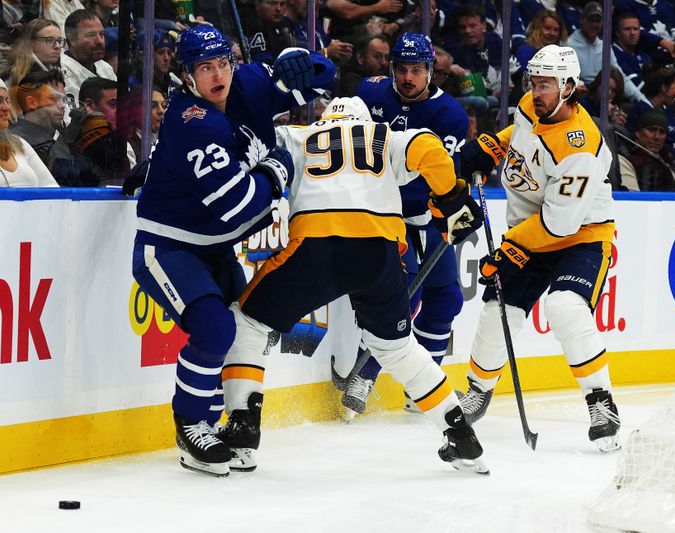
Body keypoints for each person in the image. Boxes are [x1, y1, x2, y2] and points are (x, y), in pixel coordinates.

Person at [219, 96, 486, 474]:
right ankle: (459, 433)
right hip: (379, 253)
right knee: (397, 348)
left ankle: (243, 428)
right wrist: (452, 197)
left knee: (246, 321)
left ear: (327, 120)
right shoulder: (385, 135)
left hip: (316, 246)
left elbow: (240, 140)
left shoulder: (301, 134)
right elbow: (428, 146)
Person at [131, 25, 336, 477]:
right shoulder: (193, 123)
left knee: (242, 329)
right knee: (214, 327)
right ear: (187, 76)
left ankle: (236, 425)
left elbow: (325, 75)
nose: (217, 74)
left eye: (222, 63)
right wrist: (278, 168)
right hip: (168, 247)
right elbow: (236, 205)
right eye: (204, 68)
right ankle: (192, 425)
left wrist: (296, 64)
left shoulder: (244, 81)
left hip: (214, 250)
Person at [457, 45, 621, 453]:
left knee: (564, 307)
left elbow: (559, 223)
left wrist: (509, 247)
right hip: (533, 230)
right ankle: (479, 390)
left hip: (580, 236)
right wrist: (495, 145)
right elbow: (524, 134)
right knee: (499, 311)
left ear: (569, 87)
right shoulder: (533, 105)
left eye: (545, 83)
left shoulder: (581, 150)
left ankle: (601, 402)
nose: (535, 90)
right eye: (534, 81)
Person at [340, 32, 470, 420]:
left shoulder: (450, 115)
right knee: (401, 298)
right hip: (381, 214)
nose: (408, 78)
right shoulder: (370, 95)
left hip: (425, 215)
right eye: (402, 69)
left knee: (446, 300)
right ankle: (365, 374)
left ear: (431, 71)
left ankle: (422, 384)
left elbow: (427, 176)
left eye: (416, 70)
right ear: (391, 69)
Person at [10, 69, 84, 186]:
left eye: (64, 100)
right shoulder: (14, 141)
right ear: (31, 102)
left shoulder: (59, 140)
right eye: (54, 99)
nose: (62, 106)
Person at [617, 109, 675, 191]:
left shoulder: (668, 159)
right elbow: (632, 197)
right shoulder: (625, 158)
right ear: (638, 133)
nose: (657, 137)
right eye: (651, 130)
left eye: (662, 132)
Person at [60, 9, 117, 106]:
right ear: (72, 39)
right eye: (91, 35)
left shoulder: (105, 67)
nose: (100, 41)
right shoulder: (62, 71)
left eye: (101, 34)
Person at [0, 19, 65, 86]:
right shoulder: (21, 78)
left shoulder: (55, 70)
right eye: (50, 40)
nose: (58, 46)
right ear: (31, 43)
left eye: (59, 41)